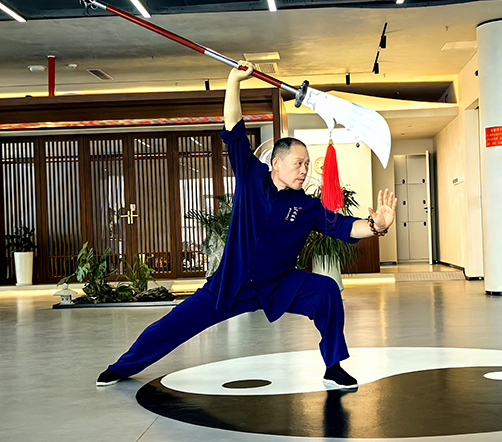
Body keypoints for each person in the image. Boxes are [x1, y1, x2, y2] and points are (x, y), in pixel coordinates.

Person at [96, 62, 398, 389]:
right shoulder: (251, 176)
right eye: (298, 163)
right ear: (277, 163)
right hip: (232, 282)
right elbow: (233, 126)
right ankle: (122, 367)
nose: (304, 170)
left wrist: (377, 224)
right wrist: (234, 80)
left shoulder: (308, 207)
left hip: (279, 283)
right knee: (173, 325)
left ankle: (334, 366)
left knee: (325, 291)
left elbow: (346, 227)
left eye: (307, 165)